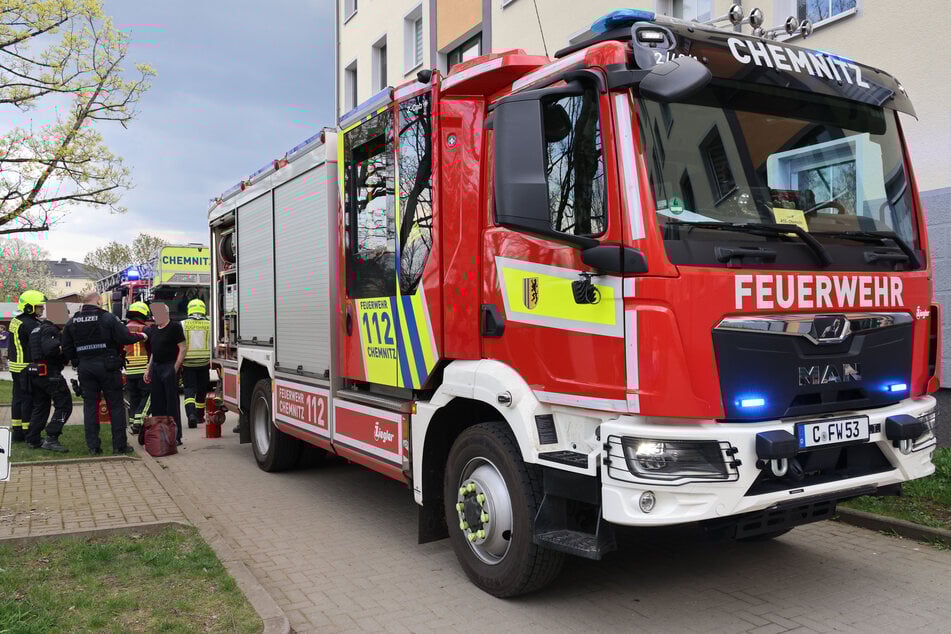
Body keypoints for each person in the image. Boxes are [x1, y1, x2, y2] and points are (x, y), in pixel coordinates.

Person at [62, 290, 147, 455]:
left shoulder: (72, 322)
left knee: (90, 407)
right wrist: (142, 336)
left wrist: (77, 360)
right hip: (108, 367)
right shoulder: (107, 318)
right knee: (115, 406)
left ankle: (93, 447)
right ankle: (119, 446)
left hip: (85, 368)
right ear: (98, 301)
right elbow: (125, 337)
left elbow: (66, 347)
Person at [25, 304, 71, 452]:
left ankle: (33, 438)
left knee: (41, 406)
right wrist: (65, 348)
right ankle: (52, 437)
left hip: (36, 373)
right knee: (64, 405)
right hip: (50, 373)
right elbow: (51, 349)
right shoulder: (51, 330)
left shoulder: (36, 330)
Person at [144, 304, 186, 444]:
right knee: (157, 403)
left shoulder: (174, 327)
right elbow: (154, 351)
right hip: (156, 367)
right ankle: (160, 434)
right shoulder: (154, 329)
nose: (155, 317)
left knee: (171, 403)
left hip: (169, 365)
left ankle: (175, 436)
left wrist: (174, 368)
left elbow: (183, 348)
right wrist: (148, 368)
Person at [7, 290, 45, 443]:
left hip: (16, 367)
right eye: (39, 306)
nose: (42, 308)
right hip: (26, 367)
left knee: (17, 399)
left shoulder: (15, 320)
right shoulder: (31, 324)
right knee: (29, 400)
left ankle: (17, 432)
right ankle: (28, 431)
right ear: (29, 307)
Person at [181, 298, 211, 429]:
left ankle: (191, 415)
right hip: (204, 363)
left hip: (188, 364)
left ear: (190, 309)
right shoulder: (210, 324)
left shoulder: (182, 324)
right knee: (201, 390)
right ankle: (199, 416)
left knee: (189, 390)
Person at [123, 302, 152, 434]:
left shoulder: (123, 329)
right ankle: (138, 422)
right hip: (144, 369)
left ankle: (133, 422)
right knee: (148, 396)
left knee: (134, 397)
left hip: (129, 370)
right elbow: (152, 349)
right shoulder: (145, 329)